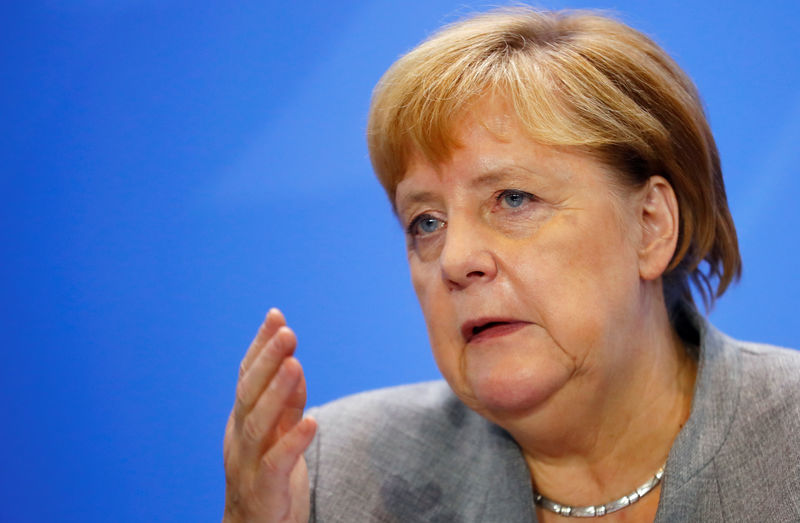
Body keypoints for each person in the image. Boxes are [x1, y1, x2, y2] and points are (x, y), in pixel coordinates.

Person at [222, 7, 800, 522]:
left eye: (513, 199)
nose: (456, 259)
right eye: (426, 222)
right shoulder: (334, 477)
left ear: (650, 226)